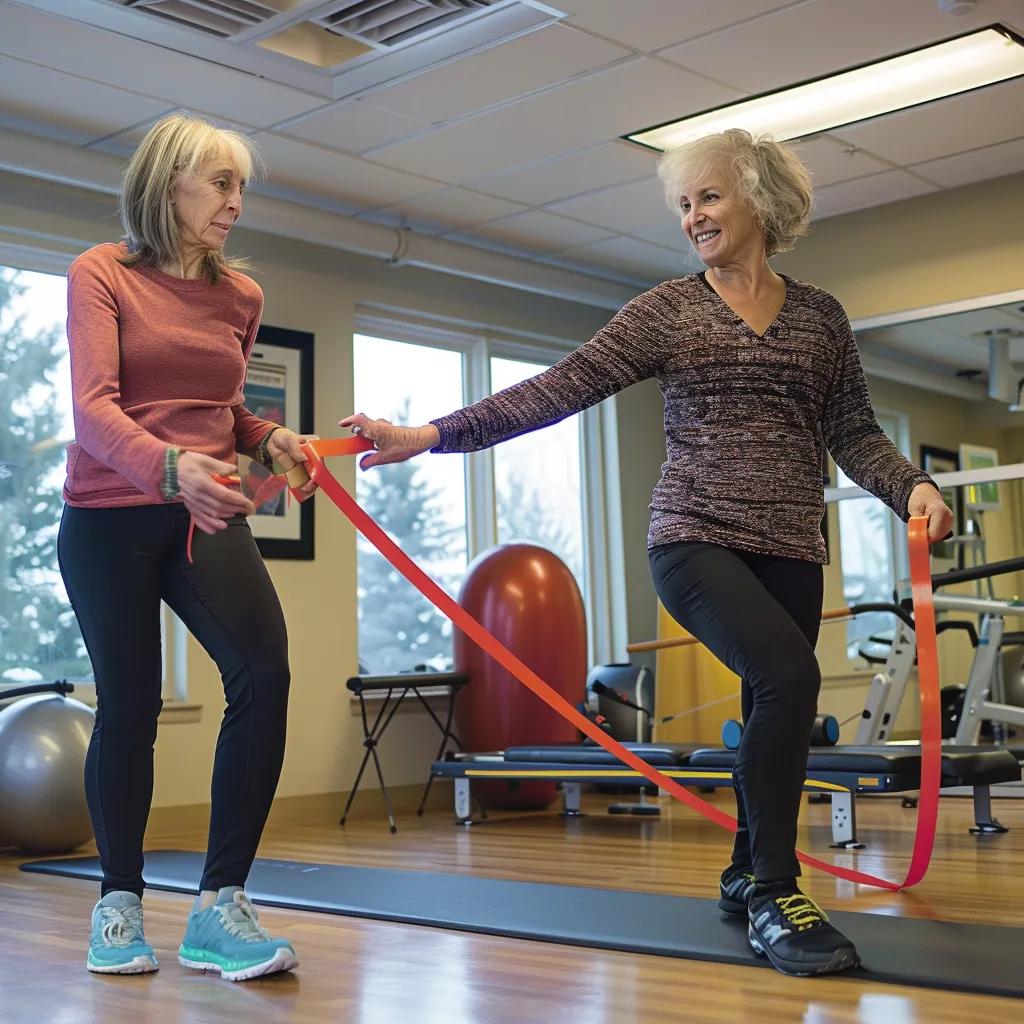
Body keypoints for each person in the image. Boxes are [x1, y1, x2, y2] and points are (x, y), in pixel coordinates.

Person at [339, 129, 953, 978]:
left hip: (790, 545)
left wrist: (910, 487)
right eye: (684, 204)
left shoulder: (819, 317)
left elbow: (852, 431)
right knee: (789, 679)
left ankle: (745, 868)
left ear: (759, 199)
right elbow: (559, 387)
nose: (693, 216)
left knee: (771, 692)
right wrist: (429, 434)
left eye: (709, 197)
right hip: (694, 539)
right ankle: (779, 888)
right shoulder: (669, 310)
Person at [58, 113, 315, 980]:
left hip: (205, 518)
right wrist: (172, 470)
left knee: (264, 676)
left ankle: (218, 907)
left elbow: (222, 406)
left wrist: (269, 440)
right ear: (168, 184)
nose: (236, 203)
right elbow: (95, 410)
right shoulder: (102, 274)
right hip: (107, 518)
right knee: (129, 707)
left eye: (241, 187)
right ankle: (118, 904)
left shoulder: (240, 296)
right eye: (220, 184)